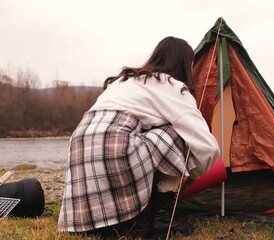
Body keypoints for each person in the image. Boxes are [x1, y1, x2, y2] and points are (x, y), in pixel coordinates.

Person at [57, 36, 220, 239]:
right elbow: (207, 146)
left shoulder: (124, 80)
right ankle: (161, 226)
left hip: (79, 148)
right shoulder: (173, 86)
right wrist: (189, 174)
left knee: (144, 135)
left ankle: (102, 226)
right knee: (179, 136)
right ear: (186, 64)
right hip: (115, 145)